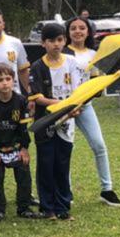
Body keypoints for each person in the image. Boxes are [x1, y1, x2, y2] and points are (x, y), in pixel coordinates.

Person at [65, 15, 120, 207]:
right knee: (66, 149)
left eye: (82, 28)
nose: (78, 31)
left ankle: (107, 189)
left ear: (88, 31)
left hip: (85, 106)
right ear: (68, 32)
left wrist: (99, 85)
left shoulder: (93, 54)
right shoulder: (63, 52)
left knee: (99, 145)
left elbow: (96, 82)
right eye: (73, 28)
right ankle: (66, 191)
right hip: (66, 108)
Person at [29, 23, 80, 220]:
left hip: (68, 123)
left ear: (65, 41)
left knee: (62, 164)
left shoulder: (72, 63)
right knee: (46, 164)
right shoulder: (38, 67)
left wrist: (75, 106)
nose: (56, 45)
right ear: (43, 43)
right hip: (45, 123)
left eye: (59, 40)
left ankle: (63, 207)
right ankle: (47, 208)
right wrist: (63, 105)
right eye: (51, 41)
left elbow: (79, 91)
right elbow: (37, 97)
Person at [0, 64, 41, 221]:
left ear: (14, 81)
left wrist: (24, 148)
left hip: (16, 146)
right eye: (0, 80)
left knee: (24, 177)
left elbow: (23, 128)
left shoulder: (20, 101)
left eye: (8, 79)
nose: (5, 83)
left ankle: (24, 207)